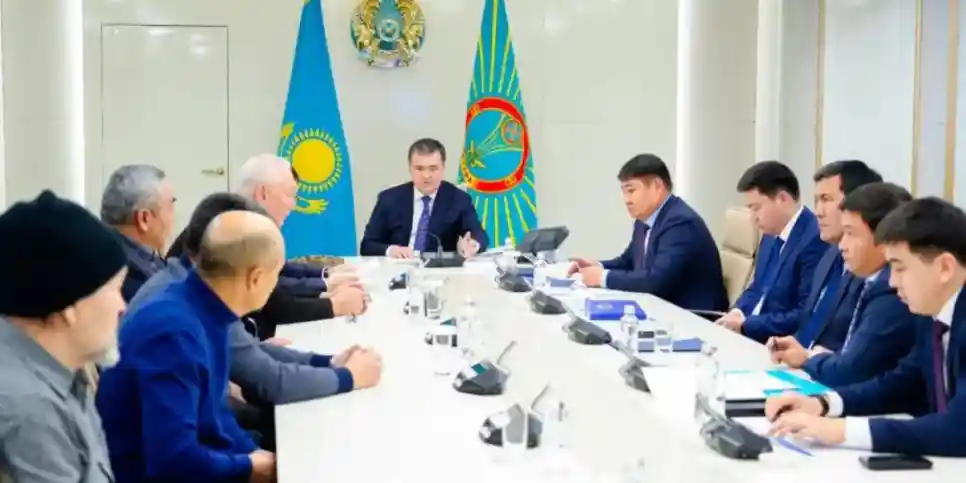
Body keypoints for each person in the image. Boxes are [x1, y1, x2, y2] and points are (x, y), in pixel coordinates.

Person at [130, 192, 383, 450]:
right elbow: (273, 381)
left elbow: (249, 351)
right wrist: (349, 377)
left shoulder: (186, 283)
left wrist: (328, 362)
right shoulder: (189, 305)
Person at [766, 197, 966, 457]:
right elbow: (902, 383)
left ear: (945, 268)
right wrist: (824, 404)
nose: (892, 282)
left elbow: (959, 430)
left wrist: (841, 431)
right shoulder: (933, 314)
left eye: (900, 268)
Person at [97, 210, 284, 482]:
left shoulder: (203, 307)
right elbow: (173, 461)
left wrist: (254, 454)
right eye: (277, 274)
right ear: (256, 278)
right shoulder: (173, 333)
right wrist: (249, 466)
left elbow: (214, 415)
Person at [0, 190, 127, 483]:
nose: (123, 307)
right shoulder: (31, 409)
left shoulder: (65, 373)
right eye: (115, 290)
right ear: (70, 305)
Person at [167, 155, 367, 339]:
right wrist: (335, 303)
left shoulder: (232, 217)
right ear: (262, 193)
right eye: (290, 195)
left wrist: (326, 279)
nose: (293, 204)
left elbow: (278, 274)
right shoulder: (236, 232)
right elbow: (277, 305)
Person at [769, 183, 920, 387]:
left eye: (851, 233)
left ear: (884, 239)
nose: (842, 246)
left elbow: (849, 371)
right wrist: (813, 356)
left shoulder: (890, 290)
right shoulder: (862, 277)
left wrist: (810, 359)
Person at [567, 154, 728, 312]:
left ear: (657, 186)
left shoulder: (680, 223)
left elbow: (656, 283)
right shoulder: (644, 220)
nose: (626, 199)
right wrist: (597, 266)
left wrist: (602, 277)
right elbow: (629, 261)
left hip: (693, 316)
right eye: (623, 191)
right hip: (660, 308)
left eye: (631, 190)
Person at [717, 161, 828, 342]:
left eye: (756, 208)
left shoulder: (815, 239)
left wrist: (747, 324)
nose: (753, 218)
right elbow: (757, 286)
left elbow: (803, 313)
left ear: (782, 199)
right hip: (749, 335)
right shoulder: (770, 234)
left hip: (776, 343)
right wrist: (737, 312)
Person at [793, 160, 882, 350]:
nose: (818, 212)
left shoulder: (872, 270)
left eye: (826, 199)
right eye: (817, 201)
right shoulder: (829, 253)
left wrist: (809, 359)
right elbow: (808, 322)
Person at [359, 138, 488, 258]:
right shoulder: (389, 199)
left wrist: (473, 245)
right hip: (398, 266)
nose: (426, 175)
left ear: (443, 168)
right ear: (410, 168)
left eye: (433, 168)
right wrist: (391, 250)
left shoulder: (458, 199)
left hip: (439, 269)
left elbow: (479, 235)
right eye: (419, 169)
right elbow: (367, 245)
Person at [101, 164, 175, 301]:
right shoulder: (134, 281)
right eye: (170, 206)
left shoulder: (97, 249)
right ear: (144, 219)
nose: (173, 218)